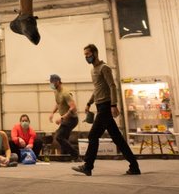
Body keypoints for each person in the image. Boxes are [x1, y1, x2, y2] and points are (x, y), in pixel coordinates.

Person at [72, 44, 140, 176]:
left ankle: (87, 166)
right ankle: (134, 166)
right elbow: (97, 88)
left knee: (93, 136)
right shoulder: (93, 70)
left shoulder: (105, 68)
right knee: (117, 138)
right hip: (99, 105)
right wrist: (89, 102)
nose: (86, 57)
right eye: (85, 55)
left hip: (106, 106)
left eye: (88, 54)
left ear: (95, 53)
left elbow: (112, 86)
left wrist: (113, 105)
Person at [49, 74, 80, 160]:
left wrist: (62, 117)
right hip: (66, 119)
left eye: (52, 82)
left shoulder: (65, 93)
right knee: (64, 138)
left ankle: (76, 155)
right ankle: (67, 156)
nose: (51, 84)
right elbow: (58, 103)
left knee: (59, 136)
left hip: (72, 119)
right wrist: (52, 113)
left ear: (57, 82)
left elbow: (73, 107)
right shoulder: (56, 92)